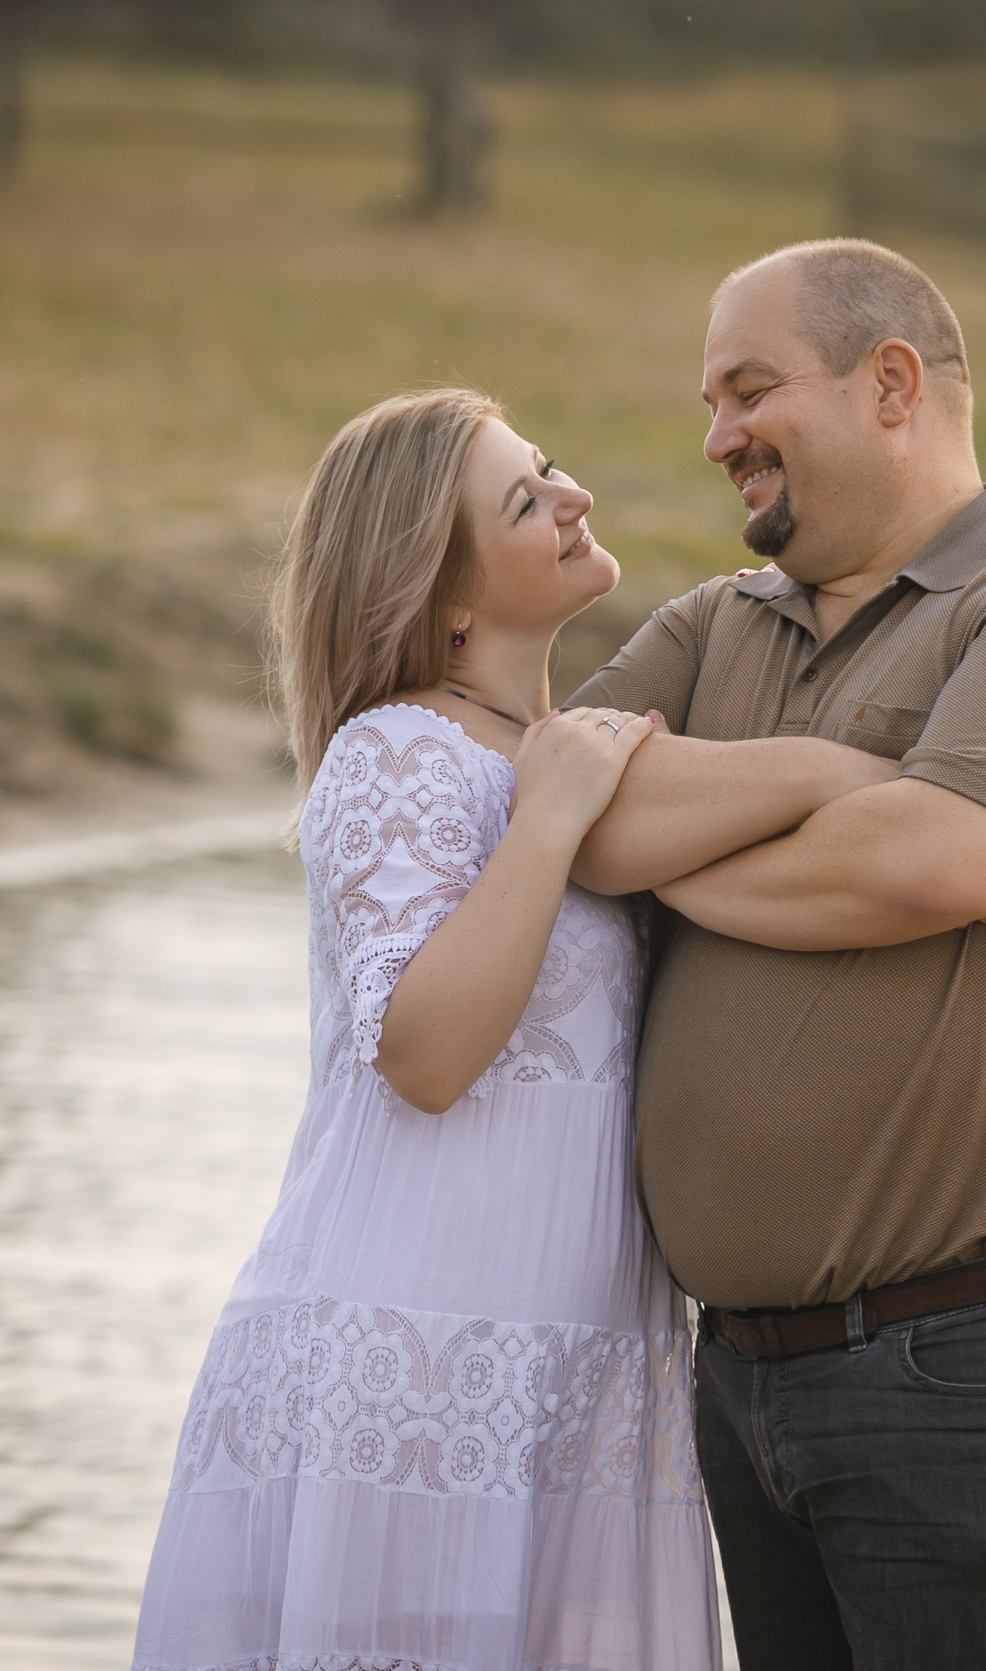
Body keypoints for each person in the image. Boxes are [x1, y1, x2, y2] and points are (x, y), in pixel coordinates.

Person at [130, 387, 896, 1671]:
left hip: (579, 1380)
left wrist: (823, 775)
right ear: (447, 604)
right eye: (523, 499)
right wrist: (546, 819)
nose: (572, 494)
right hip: (421, 1364)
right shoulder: (397, 754)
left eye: (549, 467)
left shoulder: (567, 755)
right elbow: (425, 1055)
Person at [569, 240, 986, 1667]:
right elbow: (561, 810)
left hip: (975, 1356)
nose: (716, 436)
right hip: (740, 1368)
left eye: (748, 390)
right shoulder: (707, 626)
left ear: (892, 381)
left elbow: (936, 861)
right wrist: (823, 778)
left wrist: (681, 844)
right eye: (710, 403)